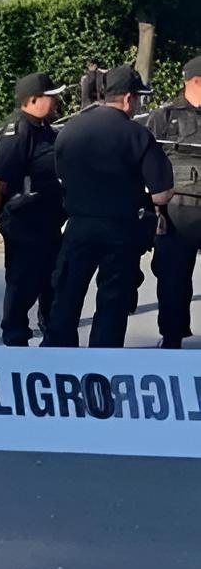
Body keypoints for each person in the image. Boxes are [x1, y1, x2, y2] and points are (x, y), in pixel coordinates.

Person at [44, 66, 173, 348]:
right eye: (138, 98)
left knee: (66, 295)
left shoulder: (69, 131)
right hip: (120, 229)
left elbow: (60, 174)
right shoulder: (136, 135)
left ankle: (57, 356)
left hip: (78, 226)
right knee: (112, 301)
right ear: (128, 98)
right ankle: (103, 362)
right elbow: (162, 194)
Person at [0, 73, 67, 346]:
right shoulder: (18, 131)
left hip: (48, 219)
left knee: (52, 279)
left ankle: (51, 333)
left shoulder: (43, 128)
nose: (56, 102)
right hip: (25, 222)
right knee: (23, 281)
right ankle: (15, 336)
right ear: (33, 100)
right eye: (50, 97)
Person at [146, 55, 201, 349]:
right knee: (173, 279)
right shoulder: (164, 116)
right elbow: (147, 163)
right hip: (176, 211)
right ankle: (172, 337)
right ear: (196, 81)